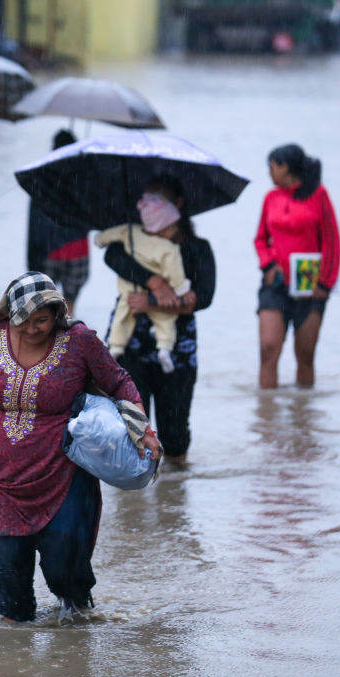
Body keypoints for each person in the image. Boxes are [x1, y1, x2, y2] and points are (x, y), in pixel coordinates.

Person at [0, 272, 161, 623]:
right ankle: (13, 662)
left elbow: (119, 381)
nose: (34, 329)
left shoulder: (78, 340)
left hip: (63, 474)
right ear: (10, 315)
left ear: (57, 313)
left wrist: (142, 429)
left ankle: (75, 647)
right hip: (5, 479)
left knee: (65, 570)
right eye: (25, 321)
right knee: (11, 586)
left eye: (43, 319)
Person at [101, 174, 216, 464]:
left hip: (176, 348)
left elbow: (203, 297)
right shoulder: (130, 240)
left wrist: (152, 302)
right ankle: (133, 503)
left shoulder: (198, 248)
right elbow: (111, 256)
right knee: (130, 429)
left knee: (175, 436)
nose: (148, 205)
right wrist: (154, 281)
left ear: (177, 204)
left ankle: (174, 499)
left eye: (158, 199)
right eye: (146, 199)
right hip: (130, 343)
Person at [254, 143, 340, 389]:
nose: (269, 173)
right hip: (276, 282)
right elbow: (260, 239)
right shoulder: (271, 197)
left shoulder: (319, 195)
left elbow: (332, 242)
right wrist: (268, 266)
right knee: (268, 348)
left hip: (309, 282)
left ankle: (303, 418)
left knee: (305, 353)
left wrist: (325, 284)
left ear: (286, 167)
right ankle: (266, 419)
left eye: (271, 167)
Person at [95, 190, 192, 374]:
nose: (175, 229)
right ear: (162, 227)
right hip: (158, 299)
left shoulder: (131, 231)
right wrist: (180, 288)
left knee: (121, 317)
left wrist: (100, 239)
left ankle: (115, 348)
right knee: (165, 320)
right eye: (172, 226)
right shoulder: (169, 248)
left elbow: (110, 236)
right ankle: (164, 348)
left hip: (128, 291)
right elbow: (175, 272)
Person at [26, 129, 89, 316]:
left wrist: (32, 260)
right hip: (77, 248)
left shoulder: (42, 175)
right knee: (70, 307)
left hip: (48, 248)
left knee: (44, 309)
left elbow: (35, 222)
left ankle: (51, 344)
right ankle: (68, 341)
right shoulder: (85, 177)